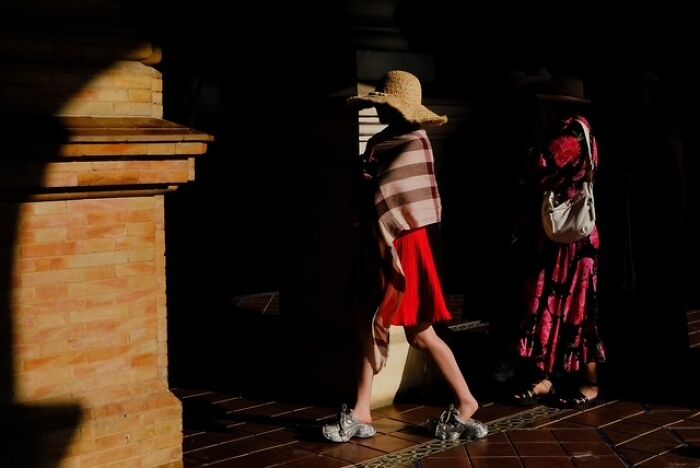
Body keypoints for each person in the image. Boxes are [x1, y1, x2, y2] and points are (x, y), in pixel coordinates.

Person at [321, 70, 487, 443]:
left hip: (404, 242)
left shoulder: (415, 142)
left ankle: (368, 410)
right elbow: (365, 193)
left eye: (384, 105)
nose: (379, 111)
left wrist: (369, 187)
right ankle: (463, 399)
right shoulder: (382, 142)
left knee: (412, 329)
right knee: (397, 326)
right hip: (379, 241)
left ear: (398, 108)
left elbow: (388, 195)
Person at [510, 75, 606, 409]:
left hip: (572, 242)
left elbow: (537, 165)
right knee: (552, 304)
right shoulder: (582, 130)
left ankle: (589, 381)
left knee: (576, 309)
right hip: (563, 237)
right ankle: (546, 377)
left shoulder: (569, 135)